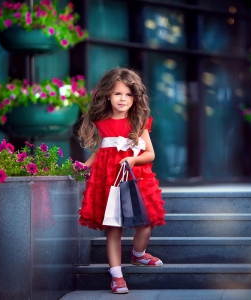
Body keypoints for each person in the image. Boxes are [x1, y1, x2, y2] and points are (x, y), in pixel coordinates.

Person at [77, 67, 166, 294]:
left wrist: (132, 160)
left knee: (145, 224)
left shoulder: (138, 121)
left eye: (128, 94)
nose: (123, 99)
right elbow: (100, 152)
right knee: (113, 228)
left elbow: (150, 154)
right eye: (118, 94)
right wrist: (82, 167)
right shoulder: (102, 122)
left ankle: (138, 254)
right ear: (107, 95)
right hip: (109, 179)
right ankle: (116, 275)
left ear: (134, 98)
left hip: (136, 178)